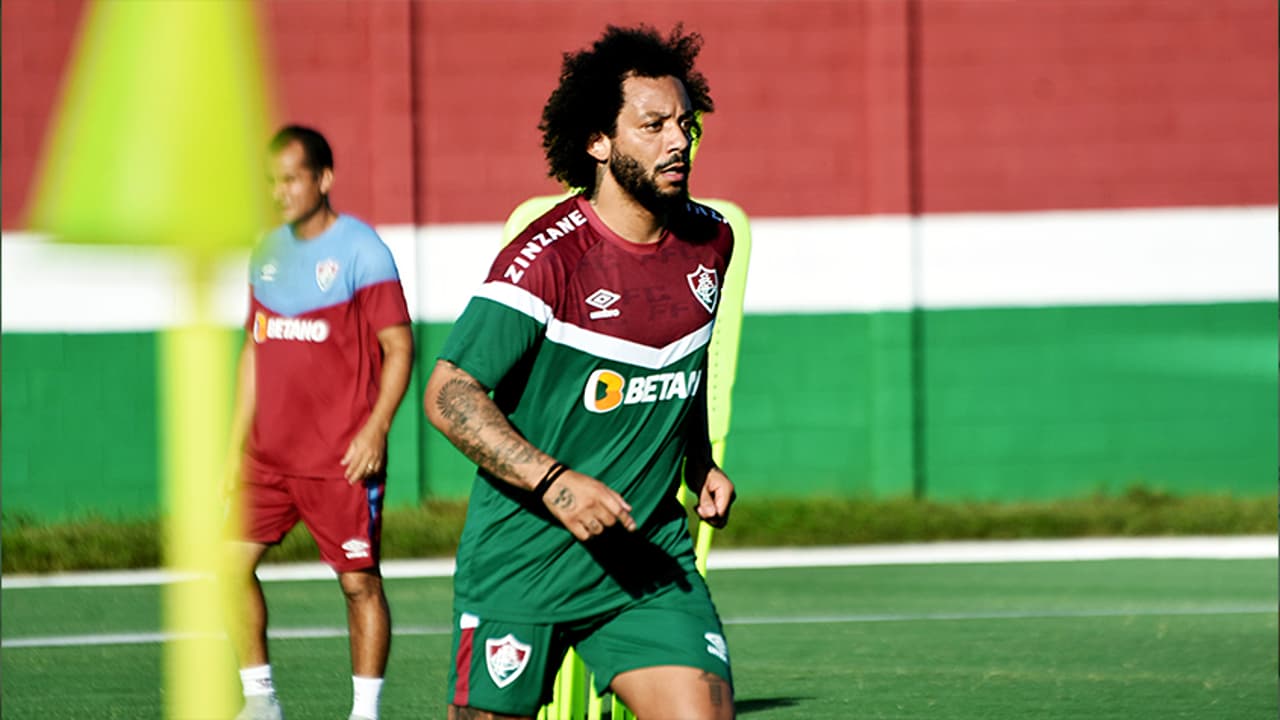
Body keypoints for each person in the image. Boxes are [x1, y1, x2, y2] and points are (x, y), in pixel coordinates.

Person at [424, 25, 737, 720]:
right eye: (652, 125)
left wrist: (698, 458)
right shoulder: (546, 261)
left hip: (646, 561)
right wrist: (556, 483)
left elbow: (684, 359)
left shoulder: (711, 240)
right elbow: (448, 394)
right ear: (598, 141)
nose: (677, 141)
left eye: (684, 123)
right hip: (525, 559)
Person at [226, 125, 414, 720]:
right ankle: (261, 703)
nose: (279, 193)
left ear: (324, 179)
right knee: (227, 569)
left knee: (359, 585)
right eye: (271, 182)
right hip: (267, 460)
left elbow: (399, 347)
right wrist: (234, 448)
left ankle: (365, 713)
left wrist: (376, 428)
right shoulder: (265, 252)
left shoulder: (363, 250)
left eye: (291, 179)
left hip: (340, 460)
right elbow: (253, 351)